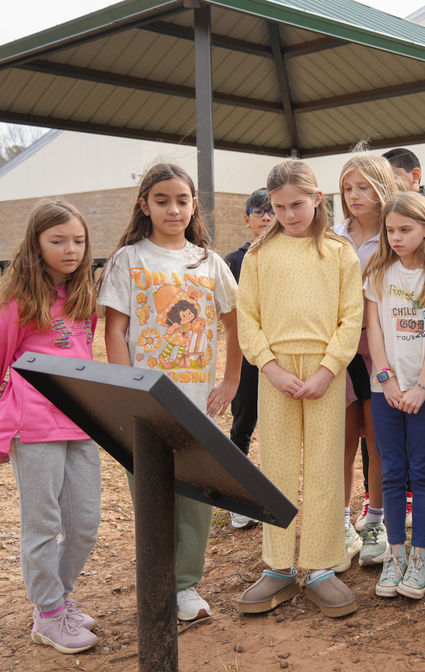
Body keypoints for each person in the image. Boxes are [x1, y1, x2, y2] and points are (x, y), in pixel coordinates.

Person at [99, 163, 241, 622]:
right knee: (151, 493)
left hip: (196, 401)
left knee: (196, 499)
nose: (173, 209)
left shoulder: (208, 262)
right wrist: (128, 391)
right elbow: (115, 330)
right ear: (145, 205)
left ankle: (186, 586)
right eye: (162, 200)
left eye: (182, 200)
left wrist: (231, 381)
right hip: (146, 403)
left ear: (194, 204)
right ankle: (157, 582)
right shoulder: (129, 260)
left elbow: (234, 324)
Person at [234, 159, 363, 617]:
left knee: (327, 464)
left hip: (326, 372)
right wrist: (269, 367)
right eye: (278, 206)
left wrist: (328, 370)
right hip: (277, 374)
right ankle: (279, 568)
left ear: (317, 199)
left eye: (297, 204)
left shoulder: (339, 252)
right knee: (279, 466)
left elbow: (352, 318)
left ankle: (323, 566)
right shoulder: (257, 255)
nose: (288, 214)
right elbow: (246, 317)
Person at [0, 201, 101, 654]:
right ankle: (48, 613)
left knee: (85, 522)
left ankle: (56, 599)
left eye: (78, 240)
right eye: (58, 241)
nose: (70, 249)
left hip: (81, 424)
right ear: (37, 244)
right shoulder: (19, 303)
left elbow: (84, 361)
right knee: (43, 524)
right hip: (32, 427)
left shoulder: (85, 299)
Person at [364, 191, 425, 600]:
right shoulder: (378, 273)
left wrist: (421, 386)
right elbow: (376, 332)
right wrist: (387, 381)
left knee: (422, 470)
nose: (396, 237)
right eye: (390, 230)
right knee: (390, 469)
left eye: (405, 229)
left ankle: (419, 556)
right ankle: (395, 554)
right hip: (385, 389)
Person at [334, 154, 401, 569]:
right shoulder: (333, 234)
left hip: (381, 350)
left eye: (363, 186)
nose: (355, 196)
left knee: (378, 441)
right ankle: (339, 523)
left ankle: (375, 519)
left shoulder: (396, 232)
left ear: (381, 187)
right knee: (340, 439)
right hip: (339, 353)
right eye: (347, 188)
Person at [223, 188, 274, 530]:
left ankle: (270, 495)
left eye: (273, 211)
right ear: (247, 219)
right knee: (243, 424)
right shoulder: (232, 261)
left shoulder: (288, 255)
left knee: (275, 429)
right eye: (259, 212)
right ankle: (237, 497)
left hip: (280, 358)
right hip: (246, 358)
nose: (267, 217)